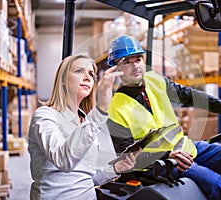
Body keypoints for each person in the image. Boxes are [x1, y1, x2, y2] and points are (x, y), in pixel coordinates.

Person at [106, 35, 221, 200]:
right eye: (126, 62)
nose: (135, 66)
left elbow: (191, 96)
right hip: (159, 163)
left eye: (138, 59)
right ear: (116, 67)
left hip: (185, 147)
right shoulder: (115, 108)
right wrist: (167, 155)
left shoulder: (155, 81)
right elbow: (127, 158)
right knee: (214, 181)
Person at [28, 54, 141, 199]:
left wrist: (117, 167)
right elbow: (64, 160)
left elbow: (85, 178)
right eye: (79, 71)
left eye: (91, 74)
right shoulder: (45, 116)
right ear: (62, 80)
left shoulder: (86, 121)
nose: (87, 77)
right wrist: (100, 110)